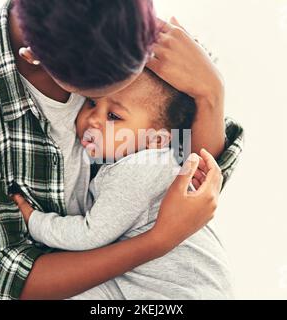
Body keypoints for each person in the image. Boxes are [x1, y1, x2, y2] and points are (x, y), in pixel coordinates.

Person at [0, 0, 243, 300]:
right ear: (35, 55)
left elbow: (195, 176)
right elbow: (7, 277)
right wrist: (157, 240)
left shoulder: (129, 31)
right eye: (93, 99)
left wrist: (209, 92)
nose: (93, 119)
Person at [14, 69, 233, 299]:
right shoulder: (159, 157)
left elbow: (89, 235)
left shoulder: (141, 169)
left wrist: (34, 220)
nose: (94, 119)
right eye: (90, 103)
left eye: (114, 117)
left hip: (178, 290)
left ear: (157, 139)